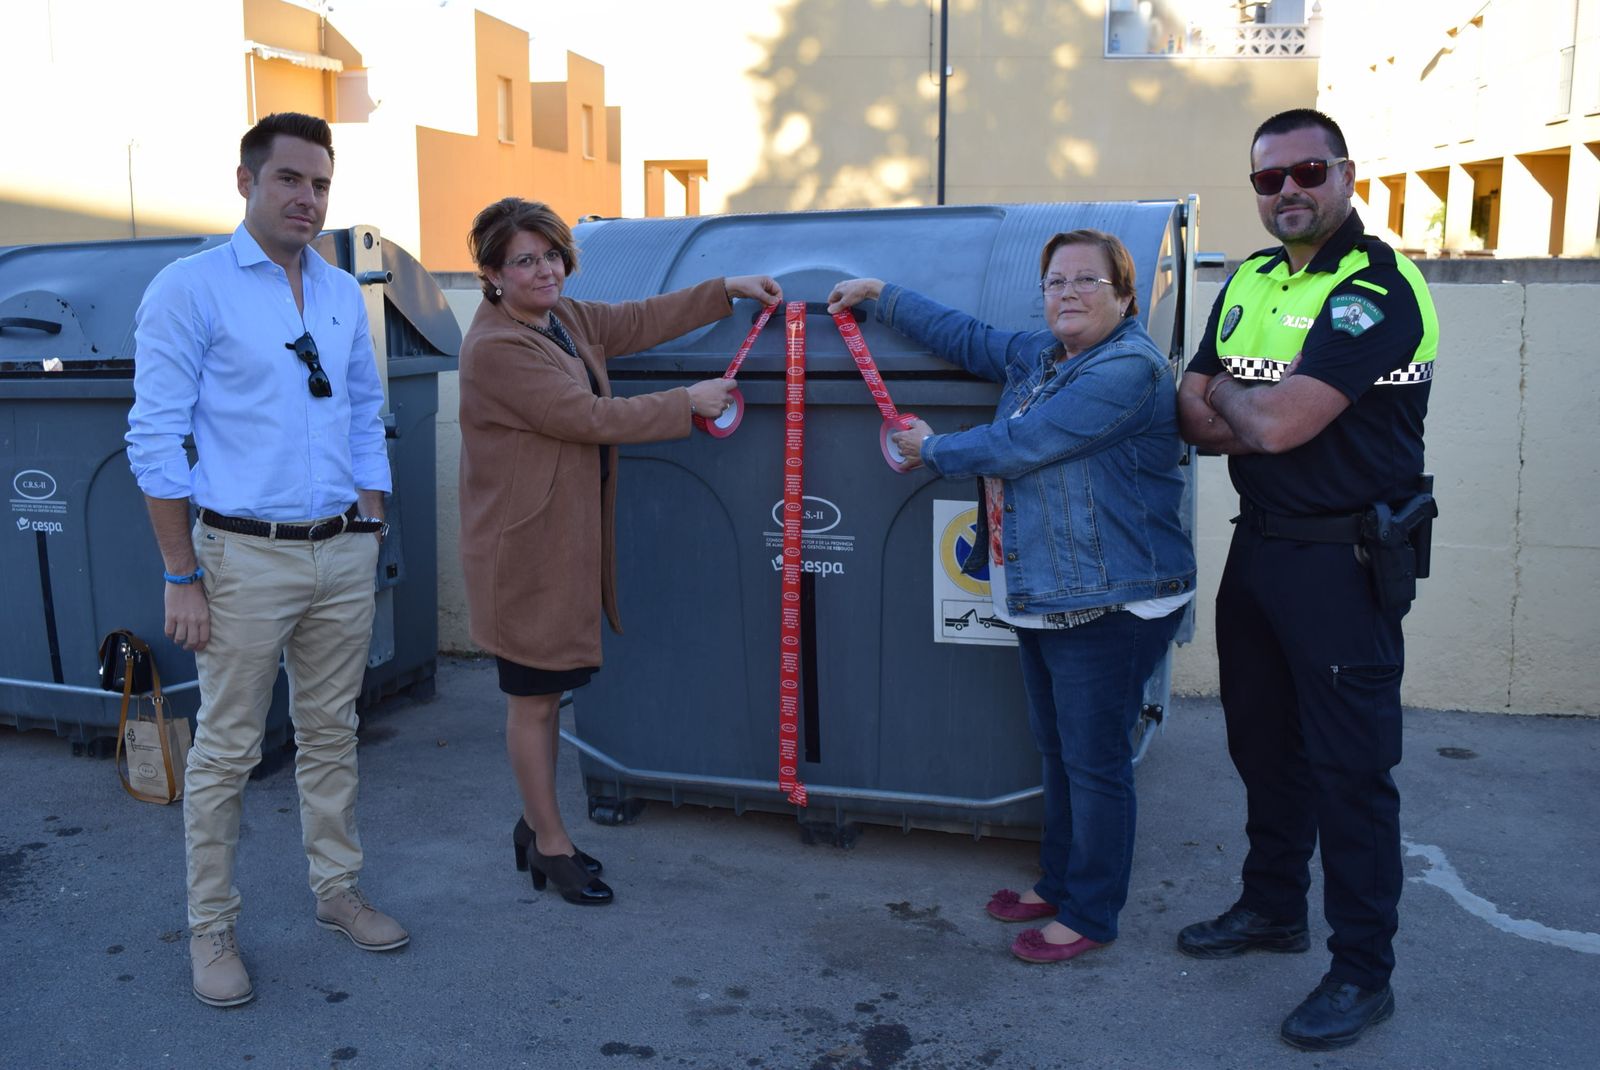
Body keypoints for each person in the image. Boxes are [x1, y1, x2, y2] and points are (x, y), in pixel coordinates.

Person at [827, 229, 1195, 965]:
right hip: (1047, 592)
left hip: (1115, 600)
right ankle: (1059, 881)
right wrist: (882, 296)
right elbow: (973, 339)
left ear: (1125, 297)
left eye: (1087, 281)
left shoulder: (1126, 369)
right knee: (1060, 752)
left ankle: (1091, 912)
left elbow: (1021, 444)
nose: (1067, 293)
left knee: (1095, 763)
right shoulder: (1047, 357)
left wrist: (927, 448)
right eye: (1056, 281)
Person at [126, 112, 407, 1008]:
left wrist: (372, 515)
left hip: (340, 553)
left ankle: (337, 892)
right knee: (227, 752)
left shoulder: (333, 290)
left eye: (320, 183)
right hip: (242, 559)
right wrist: (182, 574)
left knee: (333, 733)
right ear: (245, 181)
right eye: (289, 179)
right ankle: (212, 929)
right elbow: (155, 438)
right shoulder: (192, 288)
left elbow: (365, 407)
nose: (308, 198)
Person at [1175, 108, 1438, 1051]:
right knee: (1261, 748)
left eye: (1306, 170)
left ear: (1345, 173)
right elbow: (1190, 415)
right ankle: (1273, 907)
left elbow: (1270, 426)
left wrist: (1240, 406)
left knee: (1351, 775)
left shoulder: (1377, 288)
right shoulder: (1247, 279)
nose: (1287, 189)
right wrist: (1256, 406)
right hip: (1262, 550)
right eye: (1267, 178)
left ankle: (1364, 972)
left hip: (1345, 560)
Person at [457, 197, 781, 907]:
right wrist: (686, 403)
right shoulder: (497, 348)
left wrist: (723, 288)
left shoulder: (560, 319)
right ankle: (548, 844)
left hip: (557, 540)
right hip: (523, 552)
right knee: (534, 700)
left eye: (550, 255)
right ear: (491, 274)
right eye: (524, 260)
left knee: (550, 693)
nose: (544, 269)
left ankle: (535, 823)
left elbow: (632, 322)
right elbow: (587, 417)